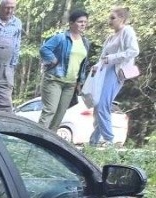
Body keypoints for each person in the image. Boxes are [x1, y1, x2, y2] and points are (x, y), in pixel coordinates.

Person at [89, 7, 139, 146]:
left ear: (122, 19)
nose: (109, 21)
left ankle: (109, 139)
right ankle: (93, 141)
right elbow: (103, 57)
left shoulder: (127, 31)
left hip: (116, 71)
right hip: (103, 72)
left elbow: (134, 51)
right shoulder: (110, 37)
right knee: (98, 105)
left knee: (102, 105)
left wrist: (112, 58)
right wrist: (97, 65)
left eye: (113, 18)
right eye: (109, 18)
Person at [38, 10, 92, 132]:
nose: (83, 24)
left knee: (60, 114)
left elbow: (83, 64)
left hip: (70, 84)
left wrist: (80, 82)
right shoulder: (61, 38)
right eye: (80, 22)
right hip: (54, 80)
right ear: (71, 23)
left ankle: (50, 140)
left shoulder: (85, 42)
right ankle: (37, 137)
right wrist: (53, 59)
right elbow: (44, 49)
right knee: (50, 110)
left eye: (85, 22)